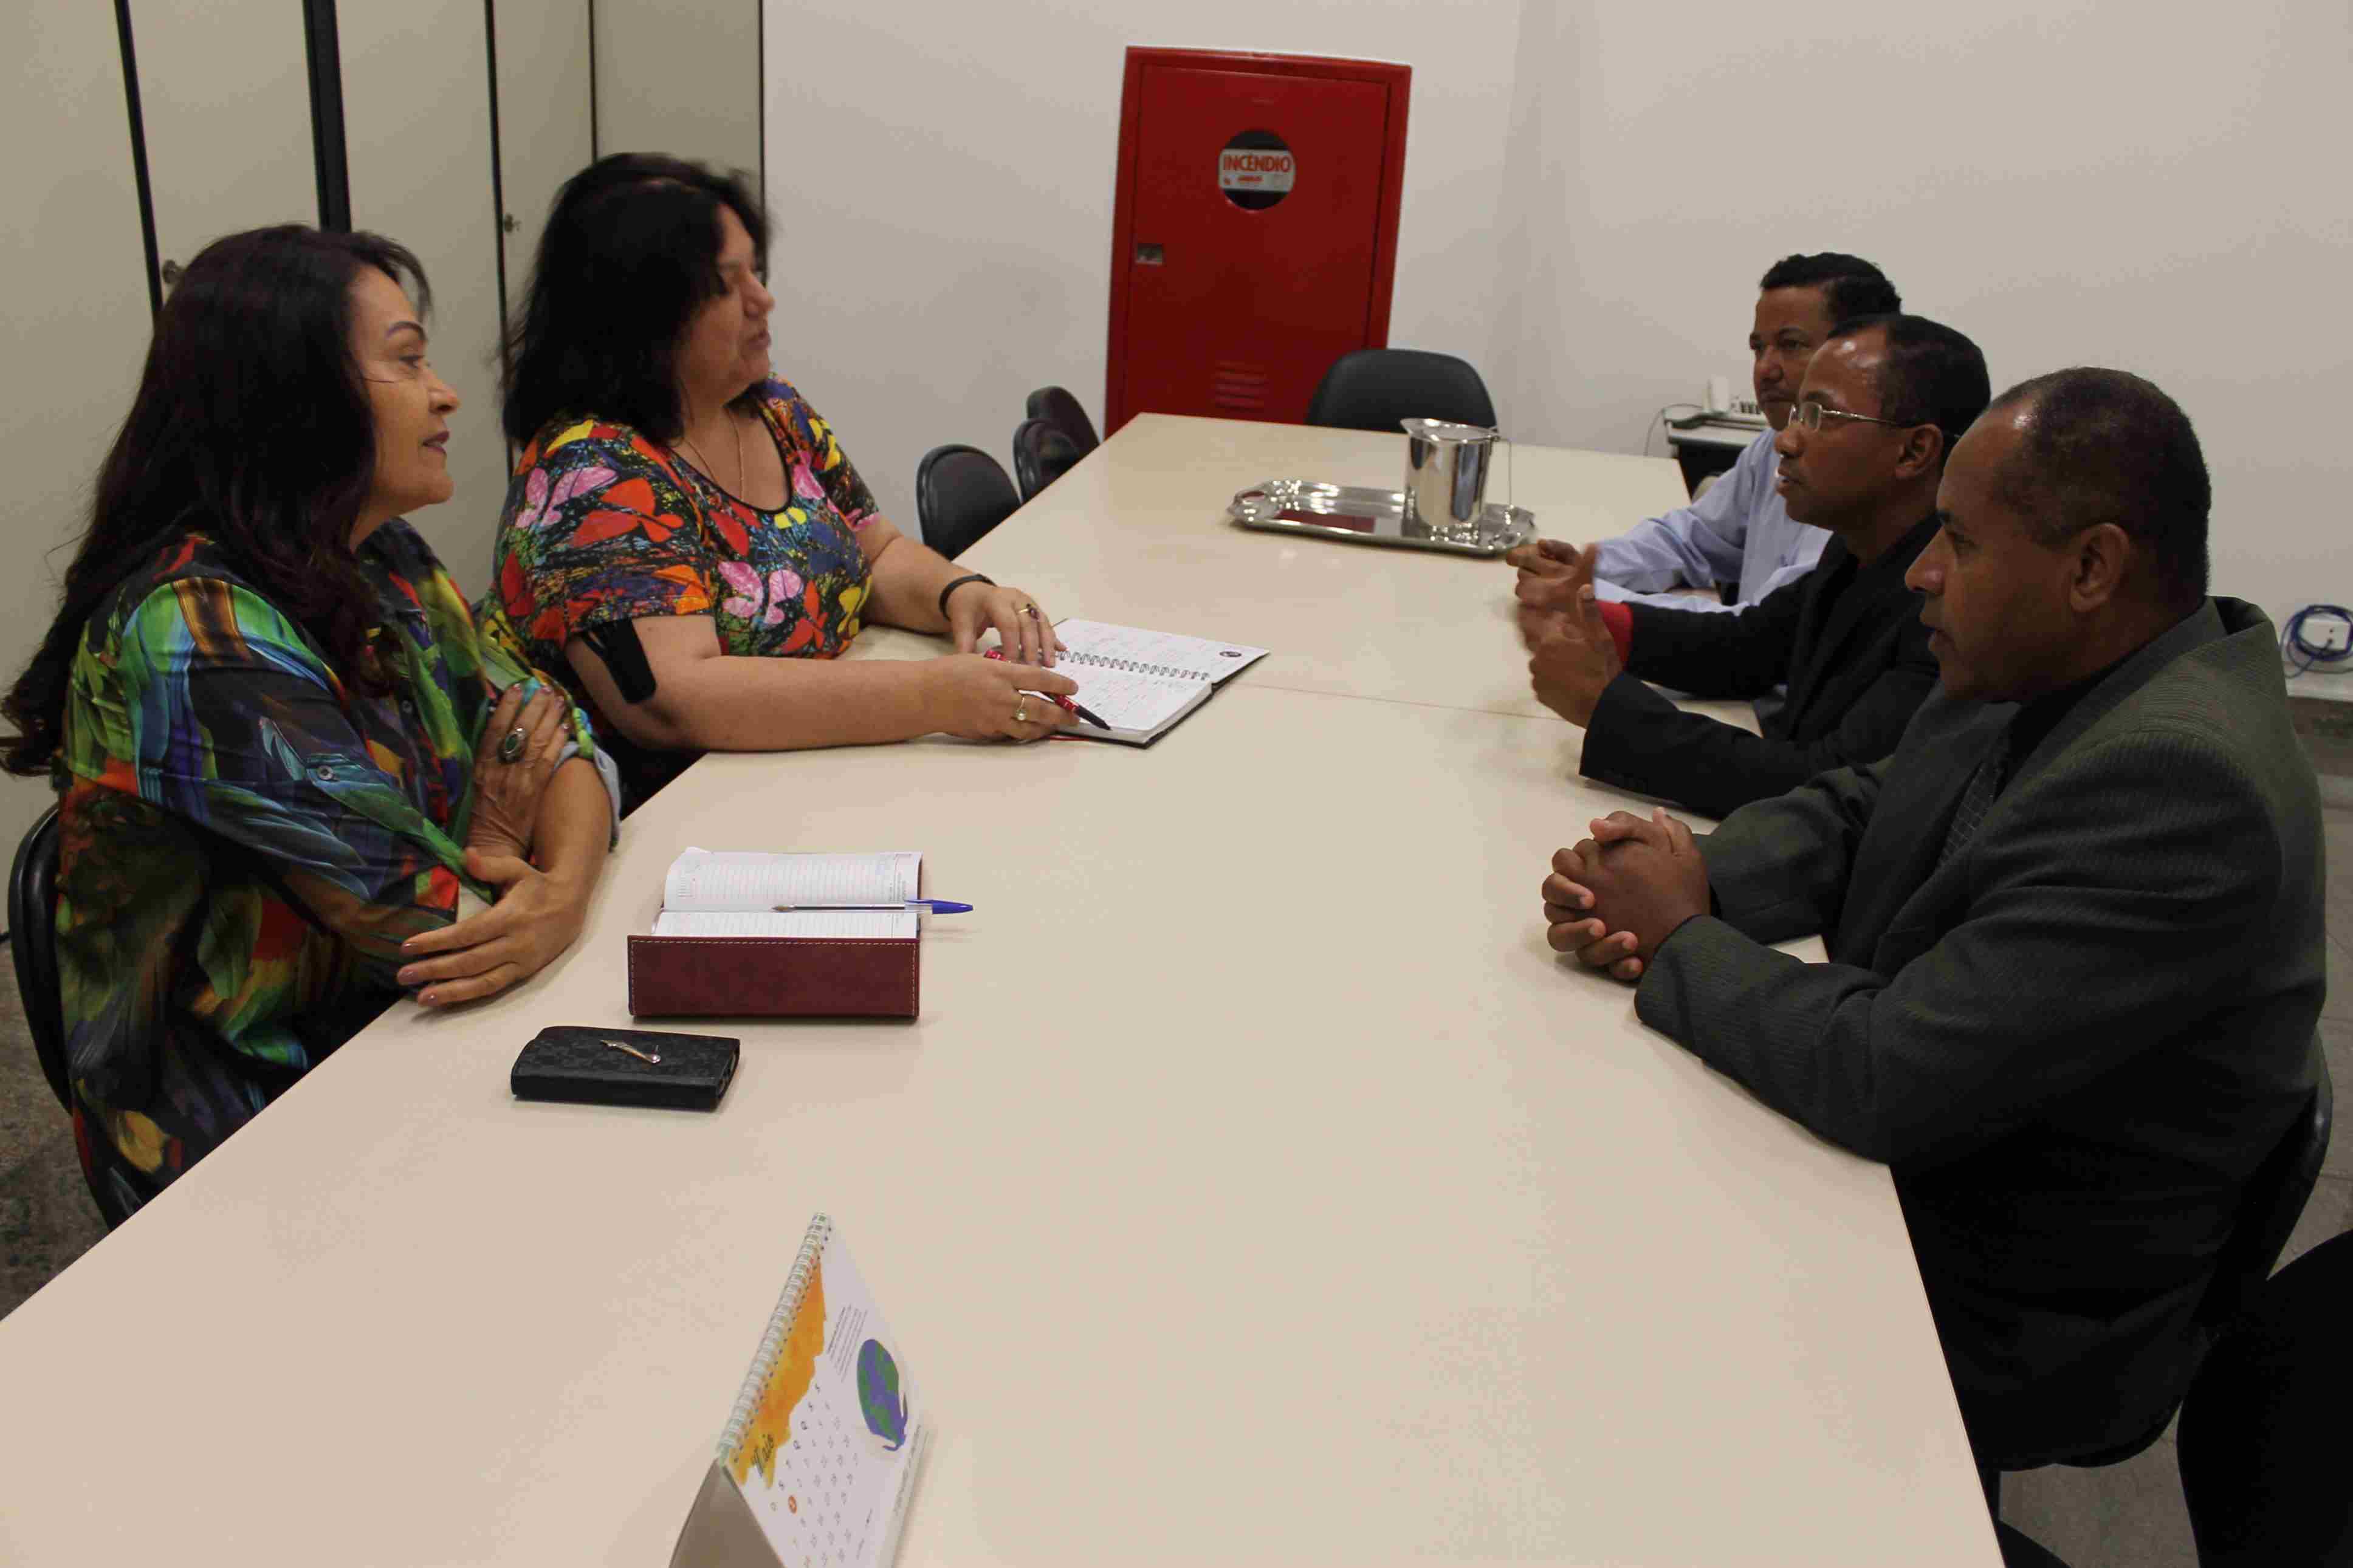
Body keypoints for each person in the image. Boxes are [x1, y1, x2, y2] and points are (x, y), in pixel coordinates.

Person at [1538, 369, 2325, 1480]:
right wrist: (1691, 872)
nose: (1922, 570)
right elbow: (1867, 805)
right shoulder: (2057, 657)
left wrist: (1674, 935)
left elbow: (1887, 1070)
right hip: (1950, 1154)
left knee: (1581, 1275)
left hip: (2012, 1294)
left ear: (2091, 568)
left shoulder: (2182, 783)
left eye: (1958, 539)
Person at [0, 226, 617, 1218]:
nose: (446, 394)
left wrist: (561, 887)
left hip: (406, 1036)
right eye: (407, 361)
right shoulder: (196, 635)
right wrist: (502, 842)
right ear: (300, 395)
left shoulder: (382, 555)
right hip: (256, 1129)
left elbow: (561, 738)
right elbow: (436, 927)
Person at [487, 153, 1078, 810]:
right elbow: (673, 703)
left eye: (755, 272)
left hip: (808, 778)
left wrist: (959, 592)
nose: (762, 300)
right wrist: (934, 696)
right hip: (678, 817)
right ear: (643, 311)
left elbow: (874, 551)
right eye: (725, 285)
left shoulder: (771, 408)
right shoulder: (592, 470)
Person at [1511, 314, 1987, 819]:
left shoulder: (1948, 608)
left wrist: (1607, 709)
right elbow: (1750, 644)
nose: (1786, 440)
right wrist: (1595, 620)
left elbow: (1819, 786)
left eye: (1819, 415)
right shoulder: (1861, 545)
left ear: (1914, 451)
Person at [1588, 252, 1901, 617]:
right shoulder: (1771, 445)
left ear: (1858, 354)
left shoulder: (1863, 485)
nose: (1764, 369)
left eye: (1791, 345)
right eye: (1758, 348)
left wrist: (1587, 598)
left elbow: (1762, 634)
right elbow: (1691, 538)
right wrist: (1585, 566)